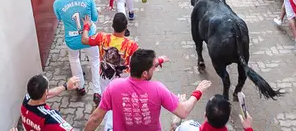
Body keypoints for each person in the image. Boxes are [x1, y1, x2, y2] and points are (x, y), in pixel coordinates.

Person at [84, 49, 212, 131]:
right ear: (145, 73)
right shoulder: (158, 89)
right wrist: (198, 91)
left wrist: (158, 61)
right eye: (153, 67)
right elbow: (183, 112)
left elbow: (95, 119)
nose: (155, 69)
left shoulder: (114, 87)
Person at [53, 0, 101, 97]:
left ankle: (80, 86)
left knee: (74, 59)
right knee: (95, 60)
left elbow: (59, 18)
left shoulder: (57, 3)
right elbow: (95, 18)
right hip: (89, 36)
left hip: (72, 40)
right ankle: (97, 90)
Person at [80, 12, 139, 118]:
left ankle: (109, 118)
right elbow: (142, 59)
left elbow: (84, 40)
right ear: (126, 27)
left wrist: (86, 27)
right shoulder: (131, 45)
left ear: (113, 26)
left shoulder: (102, 37)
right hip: (123, 80)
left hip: (105, 77)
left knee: (107, 101)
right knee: (122, 101)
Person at [171, 95, 255, 131]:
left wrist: (178, 114)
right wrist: (248, 128)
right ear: (228, 118)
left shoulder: (188, 126)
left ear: (205, 114)